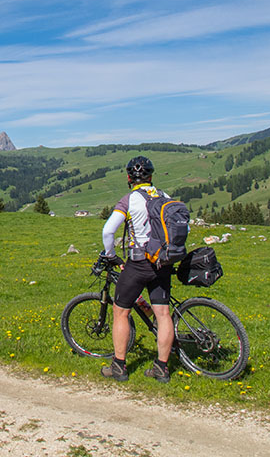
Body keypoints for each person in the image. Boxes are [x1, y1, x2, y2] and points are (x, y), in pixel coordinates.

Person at [99, 156, 173, 383]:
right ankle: (161, 368)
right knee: (163, 314)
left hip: (139, 263)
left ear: (129, 177)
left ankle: (119, 366)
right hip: (162, 262)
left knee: (121, 311)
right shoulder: (164, 196)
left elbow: (108, 231)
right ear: (151, 176)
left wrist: (110, 254)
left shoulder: (129, 200)